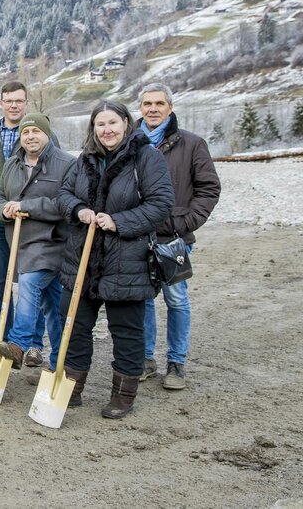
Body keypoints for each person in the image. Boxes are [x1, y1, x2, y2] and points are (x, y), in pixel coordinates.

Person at [56, 99, 174, 419]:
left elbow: (161, 203)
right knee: (75, 325)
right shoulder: (85, 160)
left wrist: (118, 221)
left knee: (126, 331)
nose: (107, 130)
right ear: (93, 129)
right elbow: (64, 195)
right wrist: (78, 210)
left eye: (112, 123)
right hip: (82, 257)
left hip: (127, 260)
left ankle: (123, 396)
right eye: (100, 124)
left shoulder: (146, 157)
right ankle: (71, 389)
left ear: (126, 123)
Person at [136, 83, 221, 390]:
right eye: (147, 104)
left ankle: (177, 363)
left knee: (176, 299)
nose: (153, 109)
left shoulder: (191, 144)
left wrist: (187, 221)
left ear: (170, 108)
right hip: (138, 235)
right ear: (141, 108)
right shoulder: (131, 143)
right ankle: (145, 359)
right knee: (143, 298)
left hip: (174, 238)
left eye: (159, 103)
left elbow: (209, 188)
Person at [0, 113, 74, 378]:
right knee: (53, 305)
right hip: (20, 242)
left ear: (47, 135)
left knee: (28, 282)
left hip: (53, 241)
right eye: (26, 133)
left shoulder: (66, 164)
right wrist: (4, 210)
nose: (30, 137)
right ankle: (62, 358)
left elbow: (66, 203)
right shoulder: (13, 164)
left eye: (36, 132)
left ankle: (19, 342)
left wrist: (26, 206)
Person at [0, 81, 58, 365]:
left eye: (18, 100)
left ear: (26, 103)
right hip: (0, 217)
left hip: (34, 223)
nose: (13, 105)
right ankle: (5, 340)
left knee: (31, 282)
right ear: (1, 103)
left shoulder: (39, 130)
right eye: (8, 100)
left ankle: (33, 344)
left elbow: (55, 171)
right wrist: (0, 209)